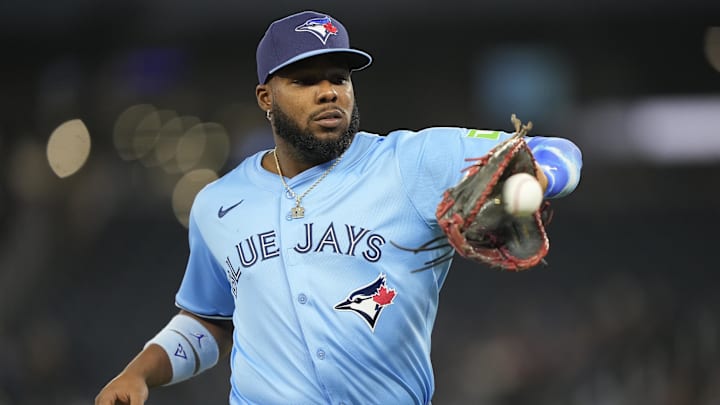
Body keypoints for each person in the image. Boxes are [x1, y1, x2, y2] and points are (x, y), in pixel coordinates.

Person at [95, 10, 583, 405]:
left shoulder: (410, 162)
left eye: (339, 77)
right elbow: (211, 321)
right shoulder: (217, 203)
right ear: (266, 97)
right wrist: (139, 374)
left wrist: (537, 179)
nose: (329, 91)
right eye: (306, 79)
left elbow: (560, 152)